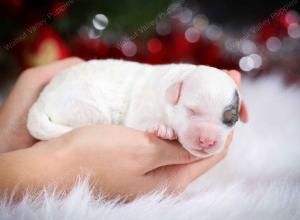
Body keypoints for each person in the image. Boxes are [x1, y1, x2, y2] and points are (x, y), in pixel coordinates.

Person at [0, 57, 246, 200]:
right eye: (192, 112)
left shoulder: (182, 88)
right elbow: (134, 122)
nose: (207, 137)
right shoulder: (156, 90)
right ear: (176, 93)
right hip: (77, 95)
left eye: (225, 119)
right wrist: (57, 163)